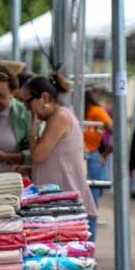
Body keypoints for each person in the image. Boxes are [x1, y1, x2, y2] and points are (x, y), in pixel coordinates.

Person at [23, 74, 99, 240]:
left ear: (44, 98)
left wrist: (33, 129)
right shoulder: (58, 117)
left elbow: (38, 155)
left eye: (28, 103)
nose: (28, 109)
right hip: (62, 211)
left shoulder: (60, 117)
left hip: (71, 214)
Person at [83, 90, 113, 207]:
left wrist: (105, 154)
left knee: (93, 194)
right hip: (81, 155)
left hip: (91, 155)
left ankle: (92, 217)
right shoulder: (77, 111)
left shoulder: (95, 111)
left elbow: (115, 131)